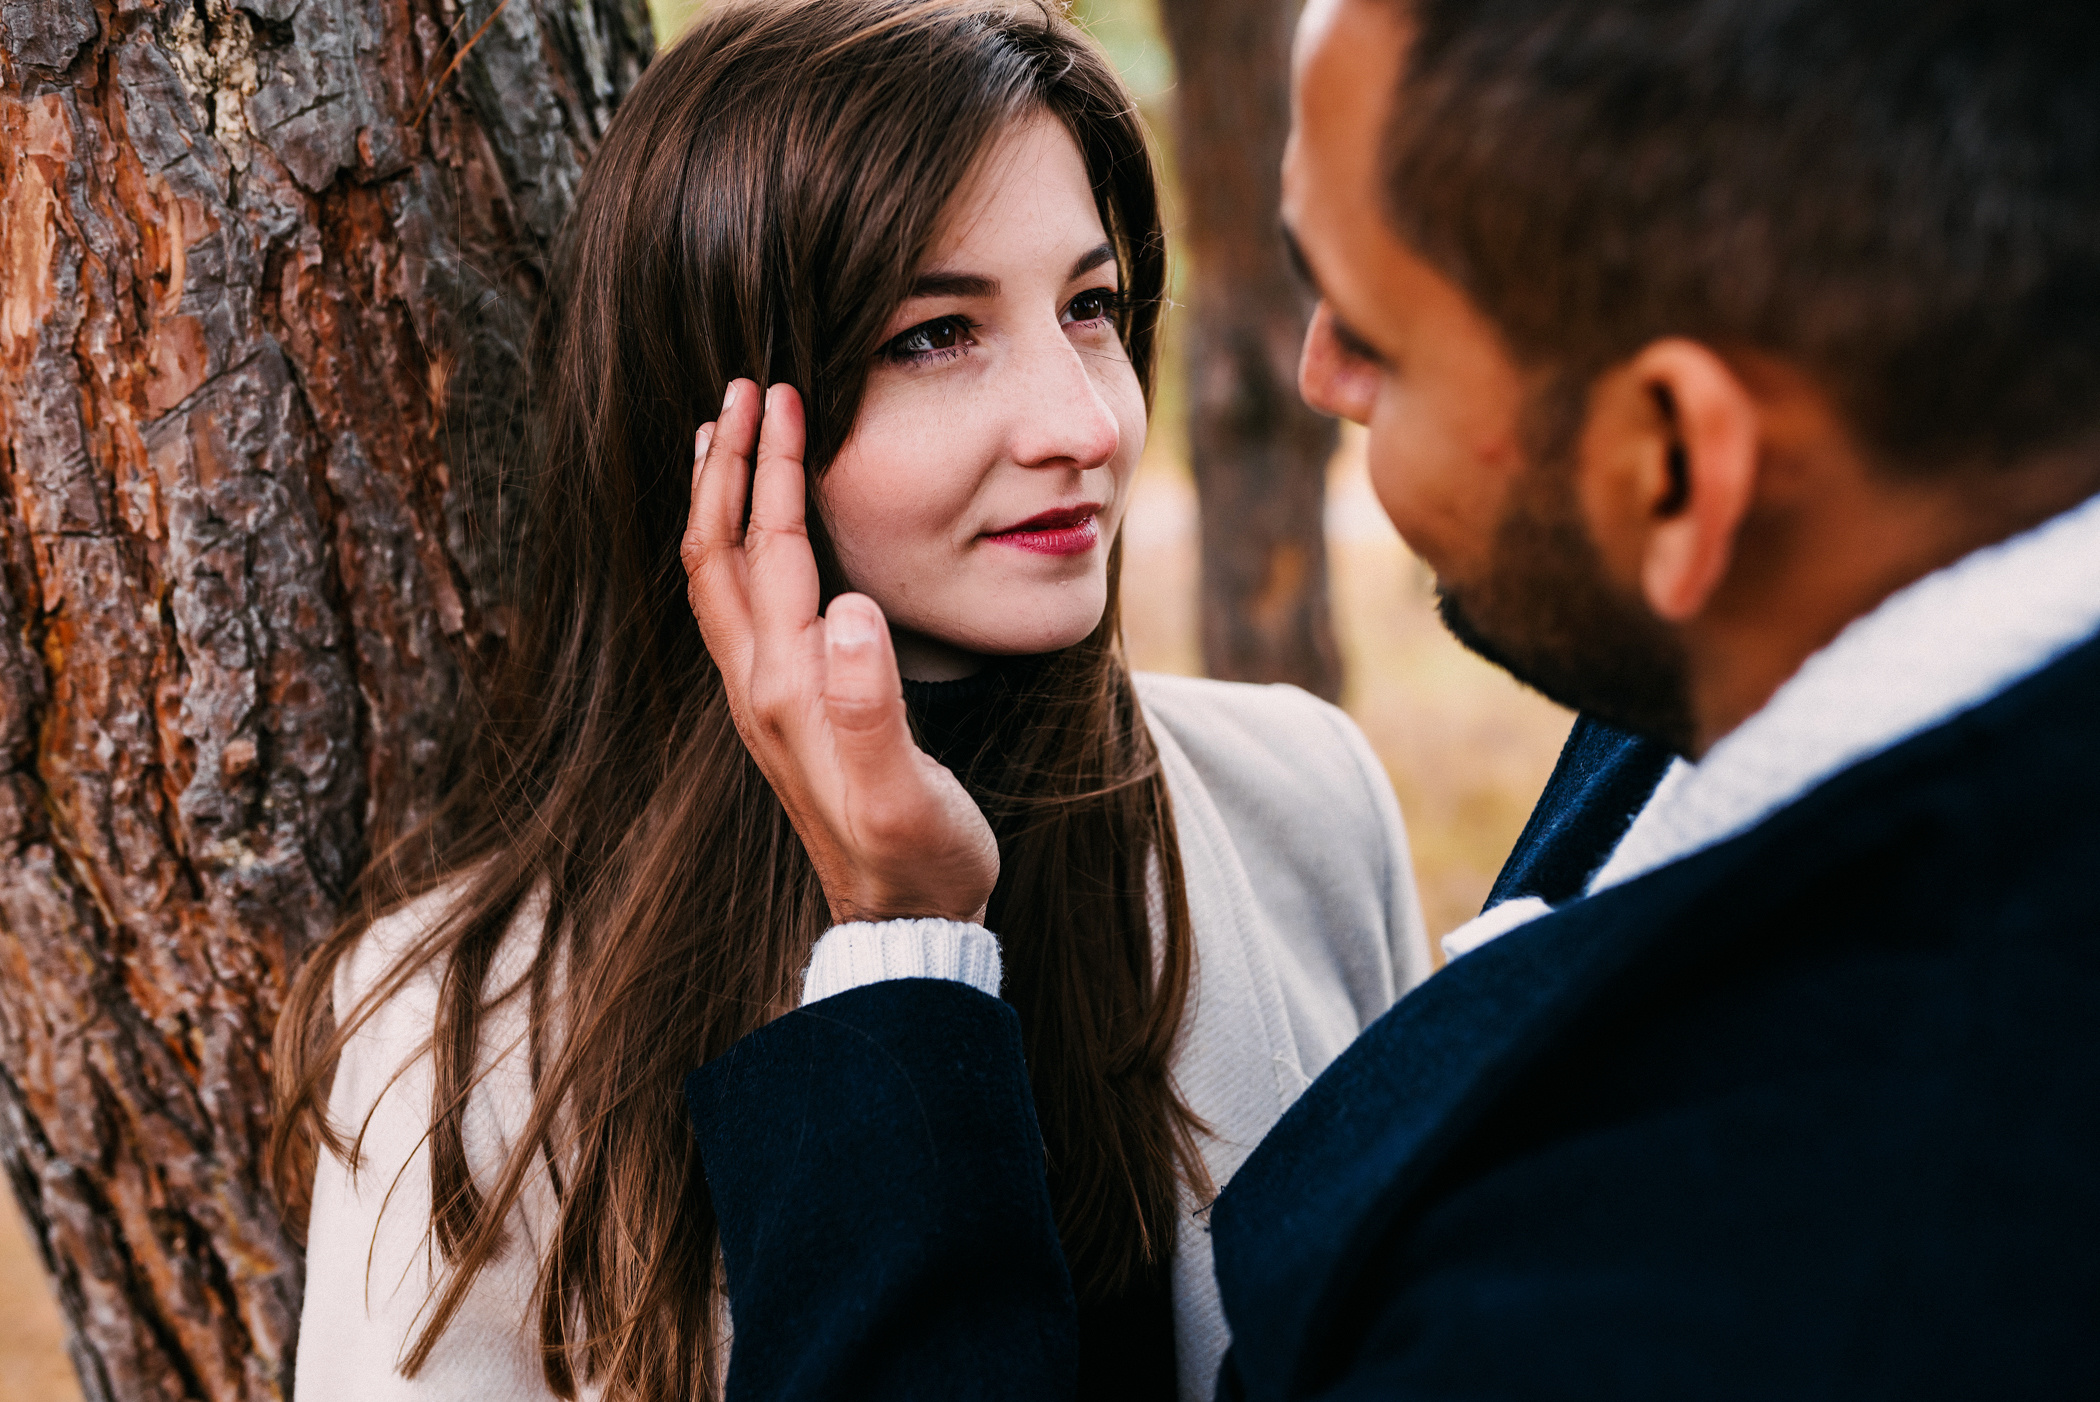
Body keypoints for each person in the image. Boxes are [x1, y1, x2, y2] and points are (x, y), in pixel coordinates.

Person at [680, 0, 2100, 1396]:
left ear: (1669, 464)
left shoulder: (1731, 1276)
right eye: (936, 331)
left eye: (1375, 330)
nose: (1313, 376)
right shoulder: (1754, 652)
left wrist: (906, 953)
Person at [272, 3, 1428, 1399]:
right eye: (937, 334)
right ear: (720, 429)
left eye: (1092, 306)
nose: (1080, 421)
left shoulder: (1305, 802)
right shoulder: (461, 1038)